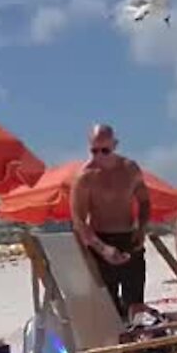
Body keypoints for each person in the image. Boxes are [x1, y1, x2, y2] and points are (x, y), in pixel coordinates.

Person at [69, 123, 152, 319]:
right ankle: (118, 345)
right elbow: (78, 220)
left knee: (136, 303)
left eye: (104, 150)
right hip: (100, 241)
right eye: (94, 150)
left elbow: (145, 201)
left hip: (129, 238)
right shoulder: (85, 177)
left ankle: (138, 345)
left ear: (115, 144)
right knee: (109, 307)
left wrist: (141, 230)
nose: (98, 156)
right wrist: (103, 248)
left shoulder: (130, 169)